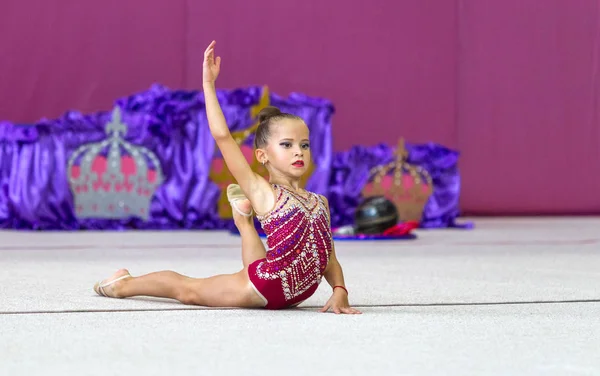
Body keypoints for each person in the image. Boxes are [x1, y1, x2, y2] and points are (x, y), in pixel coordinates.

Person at [93, 41, 361, 314]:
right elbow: (222, 136)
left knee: (257, 256)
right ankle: (124, 284)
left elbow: (327, 256)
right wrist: (208, 85)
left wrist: (340, 290)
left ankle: (243, 220)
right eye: (287, 145)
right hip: (262, 287)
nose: (298, 152)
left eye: (304, 145)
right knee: (189, 291)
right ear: (262, 156)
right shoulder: (263, 191)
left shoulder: (320, 202)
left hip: (293, 294)